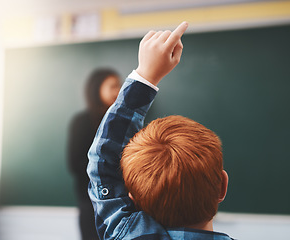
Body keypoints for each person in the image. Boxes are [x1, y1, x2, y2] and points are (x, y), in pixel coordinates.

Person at [87, 22, 234, 240]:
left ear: (133, 198)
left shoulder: (128, 235)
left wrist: (145, 76)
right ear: (222, 186)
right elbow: (104, 168)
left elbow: (103, 164)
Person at [67, 68, 121, 240]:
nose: (118, 91)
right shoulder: (82, 122)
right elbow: (75, 164)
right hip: (90, 203)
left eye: (119, 86)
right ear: (97, 88)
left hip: (120, 202)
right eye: (112, 86)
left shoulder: (121, 121)